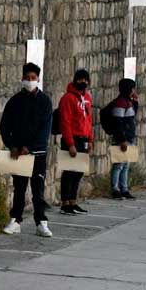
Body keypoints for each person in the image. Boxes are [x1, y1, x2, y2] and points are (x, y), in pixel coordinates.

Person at [0, 63, 54, 237]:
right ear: (22, 79)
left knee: (38, 189)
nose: (30, 81)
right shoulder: (15, 101)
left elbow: (44, 129)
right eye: (27, 78)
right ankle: (15, 220)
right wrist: (13, 146)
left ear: (38, 79)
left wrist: (29, 147)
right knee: (19, 188)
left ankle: (41, 222)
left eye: (33, 78)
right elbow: (5, 125)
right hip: (18, 154)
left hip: (36, 153)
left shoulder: (45, 101)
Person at [58, 69, 94, 215]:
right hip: (72, 139)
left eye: (85, 80)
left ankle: (73, 201)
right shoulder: (68, 98)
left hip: (84, 138)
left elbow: (89, 120)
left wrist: (90, 140)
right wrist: (70, 143)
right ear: (75, 80)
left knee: (78, 172)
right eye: (80, 80)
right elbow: (65, 122)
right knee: (69, 172)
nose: (83, 83)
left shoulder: (87, 98)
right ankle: (65, 203)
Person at [106, 78, 139, 199]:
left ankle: (124, 188)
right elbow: (118, 123)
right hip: (122, 139)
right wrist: (122, 139)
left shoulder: (128, 102)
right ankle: (115, 189)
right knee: (119, 164)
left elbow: (132, 114)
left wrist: (135, 101)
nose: (134, 91)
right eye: (132, 88)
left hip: (129, 138)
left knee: (126, 165)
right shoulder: (120, 103)